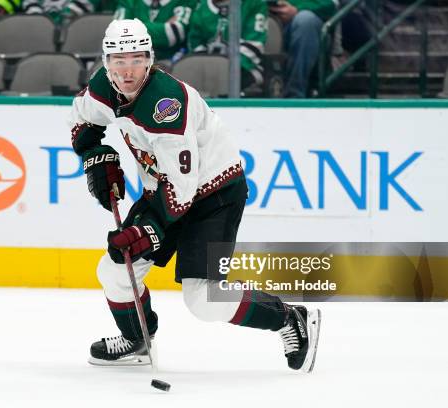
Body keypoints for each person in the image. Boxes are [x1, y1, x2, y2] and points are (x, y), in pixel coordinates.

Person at [69, 18, 321, 371]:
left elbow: (182, 192)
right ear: (106, 62)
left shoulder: (166, 106)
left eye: (137, 60)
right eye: (119, 61)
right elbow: (82, 120)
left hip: (214, 195)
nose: (128, 71)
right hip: (164, 189)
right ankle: (137, 339)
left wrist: (146, 232)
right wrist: (95, 156)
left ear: (151, 59)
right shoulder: (103, 87)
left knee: (203, 299)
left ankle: (289, 318)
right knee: (114, 271)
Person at [188, 0, 268, 89]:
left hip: (245, 69)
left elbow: (255, 43)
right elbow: (195, 42)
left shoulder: (254, 4)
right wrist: (206, 66)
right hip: (206, 70)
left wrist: (224, 68)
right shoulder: (201, 6)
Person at [268, 0, 336, 97]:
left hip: (304, 29)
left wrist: (296, 9)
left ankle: (294, 97)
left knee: (305, 20)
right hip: (263, 19)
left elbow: (330, 5)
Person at [113, 0, 197, 61]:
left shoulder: (184, 1)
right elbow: (118, 33)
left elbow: (176, 32)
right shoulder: (128, 1)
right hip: (132, 59)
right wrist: (163, 28)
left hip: (172, 60)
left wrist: (132, 28)